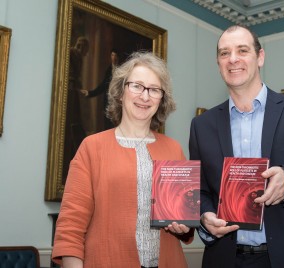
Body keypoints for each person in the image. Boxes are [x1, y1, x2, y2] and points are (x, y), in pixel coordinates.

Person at [189, 25, 284, 268]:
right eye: (224, 53)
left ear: (260, 57)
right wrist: (204, 216)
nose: (233, 60)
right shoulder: (202, 125)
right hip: (225, 258)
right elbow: (200, 191)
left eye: (242, 50)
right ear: (218, 63)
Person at [52, 51, 194, 268]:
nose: (145, 96)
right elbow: (70, 226)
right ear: (120, 92)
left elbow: (184, 223)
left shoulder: (173, 149)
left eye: (154, 90)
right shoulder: (92, 147)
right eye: (137, 86)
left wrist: (184, 226)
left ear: (161, 99)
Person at [63, 36, 90, 184]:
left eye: (83, 47)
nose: (80, 49)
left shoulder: (78, 56)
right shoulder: (73, 53)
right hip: (71, 91)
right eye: (79, 45)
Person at [81, 49, 120, 130]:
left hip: (119, 103)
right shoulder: (109, 70)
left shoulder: (123, 70)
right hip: (108, 103)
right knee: (107, 127)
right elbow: (102, 86)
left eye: (115, 55)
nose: (114, 58)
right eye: (112, 55)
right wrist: (89, 93)